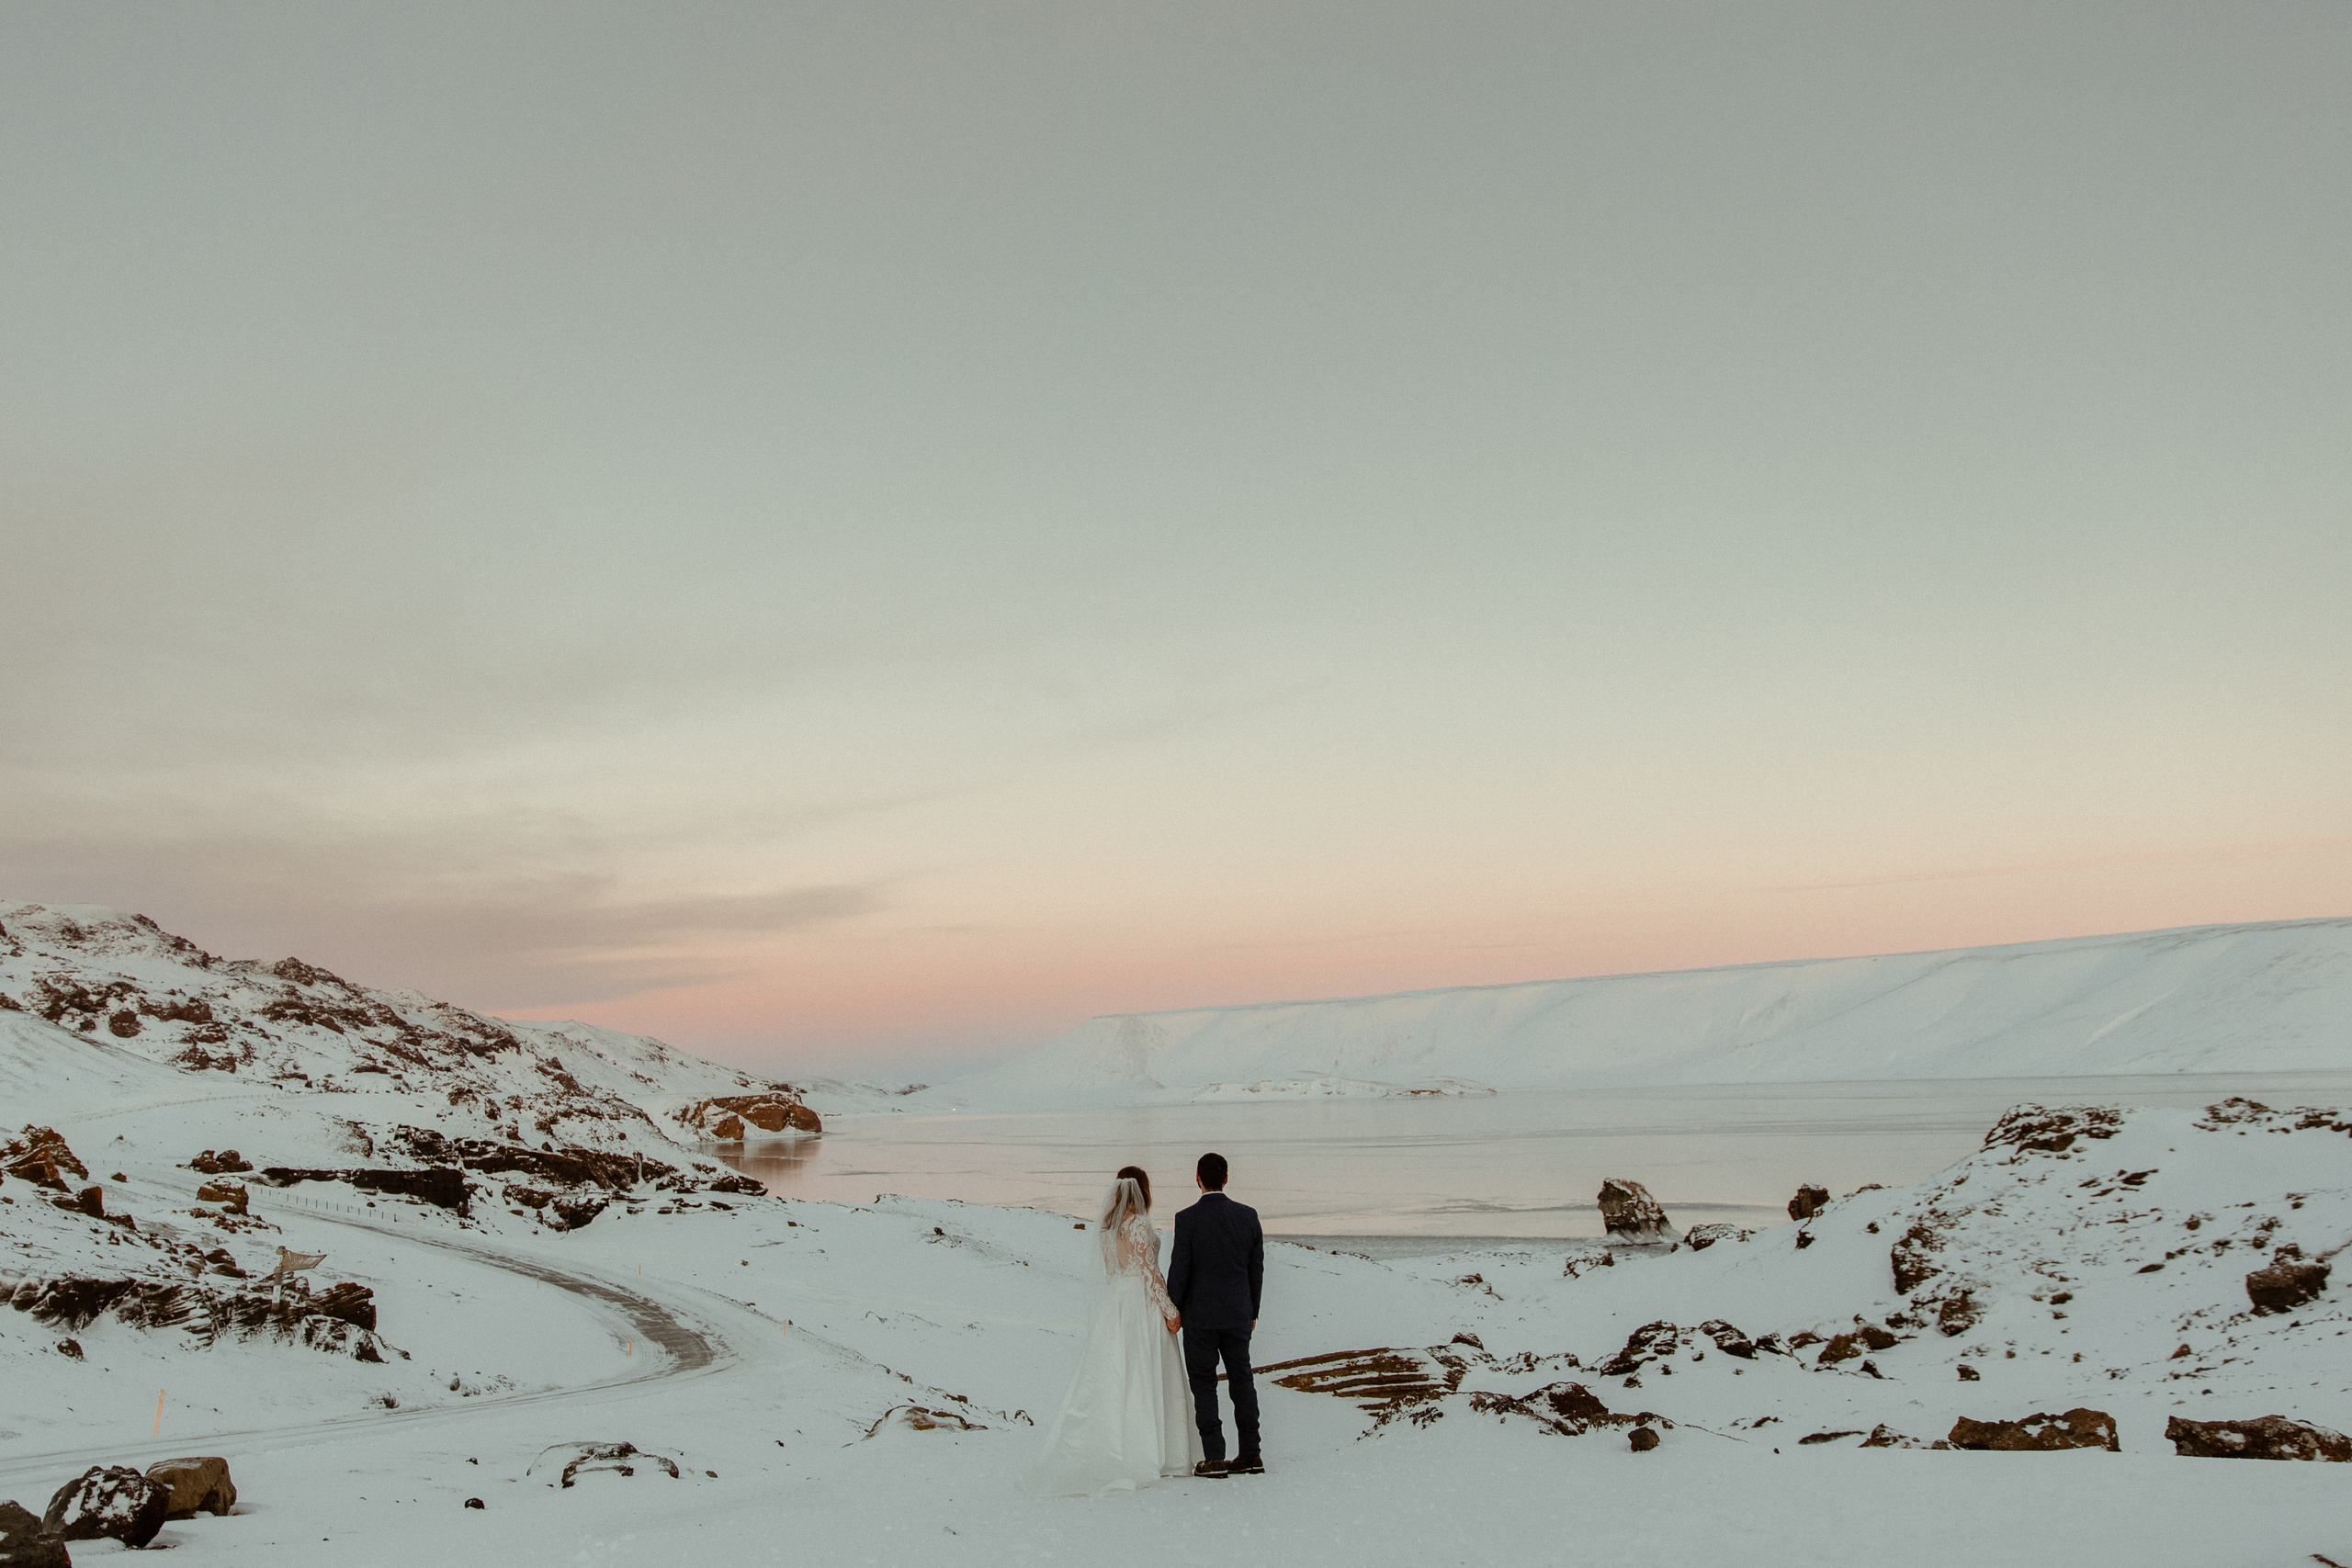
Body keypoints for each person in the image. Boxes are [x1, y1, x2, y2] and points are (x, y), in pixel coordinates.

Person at [1018, 1167, 1203, 1496]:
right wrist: (1171, 1311)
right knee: (1146, 1370)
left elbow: (1110, 1270)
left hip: (1116, 1301)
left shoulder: (1107, 1229)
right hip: (1140, 1302)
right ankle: (1159, 1452)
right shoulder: (1139, 1225)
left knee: (1116, 1373)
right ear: (1141, 1189)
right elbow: (1150, 1273)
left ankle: (1114, 1443)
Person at [1165, 1151, 1265, 1477]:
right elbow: (1256, 1269)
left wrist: (1172, 1309)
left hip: (1200, 1318)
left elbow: (1180, 1270)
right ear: (1225, 1178)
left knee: (1205, 1385)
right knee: (1242, 1382)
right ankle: (1251, 1454)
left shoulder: (1187, 1219)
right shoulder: (1248, 1216)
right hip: (1238, 1313)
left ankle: (1215, 1457)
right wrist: (1253, 1310)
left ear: (1197, 1179)